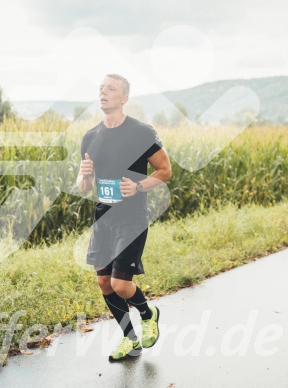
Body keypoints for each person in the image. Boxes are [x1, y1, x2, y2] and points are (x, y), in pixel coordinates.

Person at [77, 74, 172, 361]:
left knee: (120, 284)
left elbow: (165, 171)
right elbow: (85, 187)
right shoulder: (90, 137)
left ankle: (148, 312)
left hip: (132, 218)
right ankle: (131, 340)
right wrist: (84, 175)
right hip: (104, 218)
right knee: (104, 283)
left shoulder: (141, 132)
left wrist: (140, 185)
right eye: (101, 89)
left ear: (124, 97)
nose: (103, 93)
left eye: (111, 89)